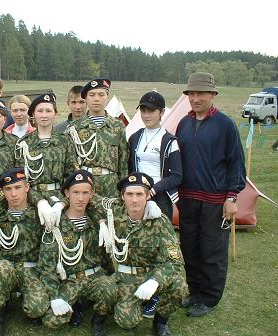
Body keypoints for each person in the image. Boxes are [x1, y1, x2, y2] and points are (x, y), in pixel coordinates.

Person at [176, 72, 246, 317]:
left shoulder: (225, 124)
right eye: (191, 94)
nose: (195, 99)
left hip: (215, 200)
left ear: (212, 95)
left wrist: (232, 197)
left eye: (201, 94)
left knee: (212, 251)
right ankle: (194, 292)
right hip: (187, 198)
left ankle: (209, 298)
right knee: (190, 248)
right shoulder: (184, 123)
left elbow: (236, 162)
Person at [102, 172, 186, 336]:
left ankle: (160, 321)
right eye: (130, 194)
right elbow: (86, 198)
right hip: (125, 278)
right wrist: (56, 204)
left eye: (140, 194)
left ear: (148, 196)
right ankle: (128, 308)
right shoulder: (115, 212)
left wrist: (154, 281)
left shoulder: (160, 221)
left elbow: (175, 261)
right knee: (127, 322)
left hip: (152, 275)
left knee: (179, 286)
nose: (134, 200)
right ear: (122, 196)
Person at [38, 170, 116, 336]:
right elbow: (47, 266)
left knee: (109, 290)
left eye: (85, 193)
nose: (80, 198)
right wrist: (54, 296)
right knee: (51, 321)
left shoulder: (97, 221)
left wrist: (111, 277)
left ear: (92, 194)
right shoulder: (55, 223)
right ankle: (78, 304)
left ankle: (99, 319)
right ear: (67, 194)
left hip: (95, 277)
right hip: (71, 281)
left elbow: (105, 256)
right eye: (75, 192)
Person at [0, 168, 48, 336]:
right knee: (2, 268)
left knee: (37, 309)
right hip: (6, 269)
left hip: (31, 270)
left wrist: (42, 202)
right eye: (8, 189)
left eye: (18, 187)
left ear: (27, 188)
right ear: (2, 192)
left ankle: (25, 298)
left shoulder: (40, 213)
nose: (13, 193)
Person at [15, 93, 79, 229]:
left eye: (48, 111)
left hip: (59, 200)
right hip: (31, 201)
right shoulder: (24, 143)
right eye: (40, 111)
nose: (44, 115)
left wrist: (61, 204)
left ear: (55, 114)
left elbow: (72, 177)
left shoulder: (65, 141)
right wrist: (39, 202)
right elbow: (20, 179)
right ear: (33, 114)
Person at [66, 78, 128, 198]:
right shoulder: (75, 127)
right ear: (86, 99)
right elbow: (70, 162)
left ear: (107, 98)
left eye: (101, 94)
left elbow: (123, 161)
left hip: (111, 185)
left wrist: (123, 189)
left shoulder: (118, 125)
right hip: (84, 184)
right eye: (92, 95)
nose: (96, 99)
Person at [128, 91, 182, 220]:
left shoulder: (170, 141)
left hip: (160, 196)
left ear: (162, 112)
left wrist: (153, 189)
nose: (146, 115)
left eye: (151, 111)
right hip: (137, 195)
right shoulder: (134, 138)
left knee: (159, 238)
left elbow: (176, 176)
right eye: (143, 111)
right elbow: (129, 169)